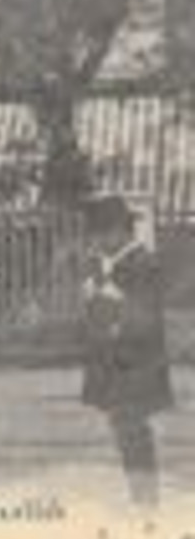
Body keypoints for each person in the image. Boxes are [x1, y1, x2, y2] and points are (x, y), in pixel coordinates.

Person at [80, 194, 173, 511]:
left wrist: (105, 299)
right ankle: (141, 498)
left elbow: (143, 318)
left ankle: (146, 502)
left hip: (136, 366)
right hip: (117, 366)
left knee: (133, 433)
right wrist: (96, 299)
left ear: (119, 231)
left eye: (100, 234)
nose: (95, 241)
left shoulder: (143, 263)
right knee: (124, 430)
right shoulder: (112, 265)